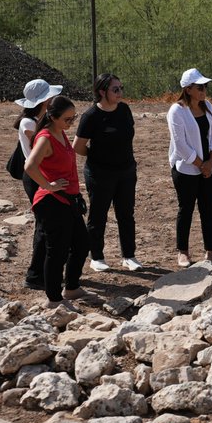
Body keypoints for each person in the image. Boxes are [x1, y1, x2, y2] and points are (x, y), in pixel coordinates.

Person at [23, 94, 90, 308]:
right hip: (51, 202)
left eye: (73, 118)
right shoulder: (45, 137)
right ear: (52, 117)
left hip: (68, 199)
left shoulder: (60, 133)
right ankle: (53, 299)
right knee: (57, 250)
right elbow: (30, 166)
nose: (71, 123)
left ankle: (71, 287)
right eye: (67, 119)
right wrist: (48, 185)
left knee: (81, 244)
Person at [74, 73, 141, 273]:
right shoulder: (91, 116)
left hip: (126, 170)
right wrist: (97, 157)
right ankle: (97, 256)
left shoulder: (125, 110)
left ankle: (129, 255)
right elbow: (78, 146)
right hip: (100, 173)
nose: (120, 92)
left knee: (126, 214)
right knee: (98, 214)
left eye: (121, 88)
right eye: (115, 89)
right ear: (102, 92)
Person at [168, 68, 212, 267]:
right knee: (186, 209)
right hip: (186, 169)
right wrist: (200, 164)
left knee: (208, 209)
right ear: (188, 89)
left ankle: (210, 251)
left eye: (205, 86)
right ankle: (183, 252)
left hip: (209, 167)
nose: (203, 90)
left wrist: (210, 162)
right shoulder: (177, 111)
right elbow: (180, 144)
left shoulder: (208, 106)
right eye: (199, 87)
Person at [16, 78, 62, 291]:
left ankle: (45, 271)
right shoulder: (30, 123)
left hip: (44, 175)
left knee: (47, 226)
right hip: (36, 177)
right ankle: (36, 275)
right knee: (45, 226)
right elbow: (43, 145)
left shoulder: (41, 119)